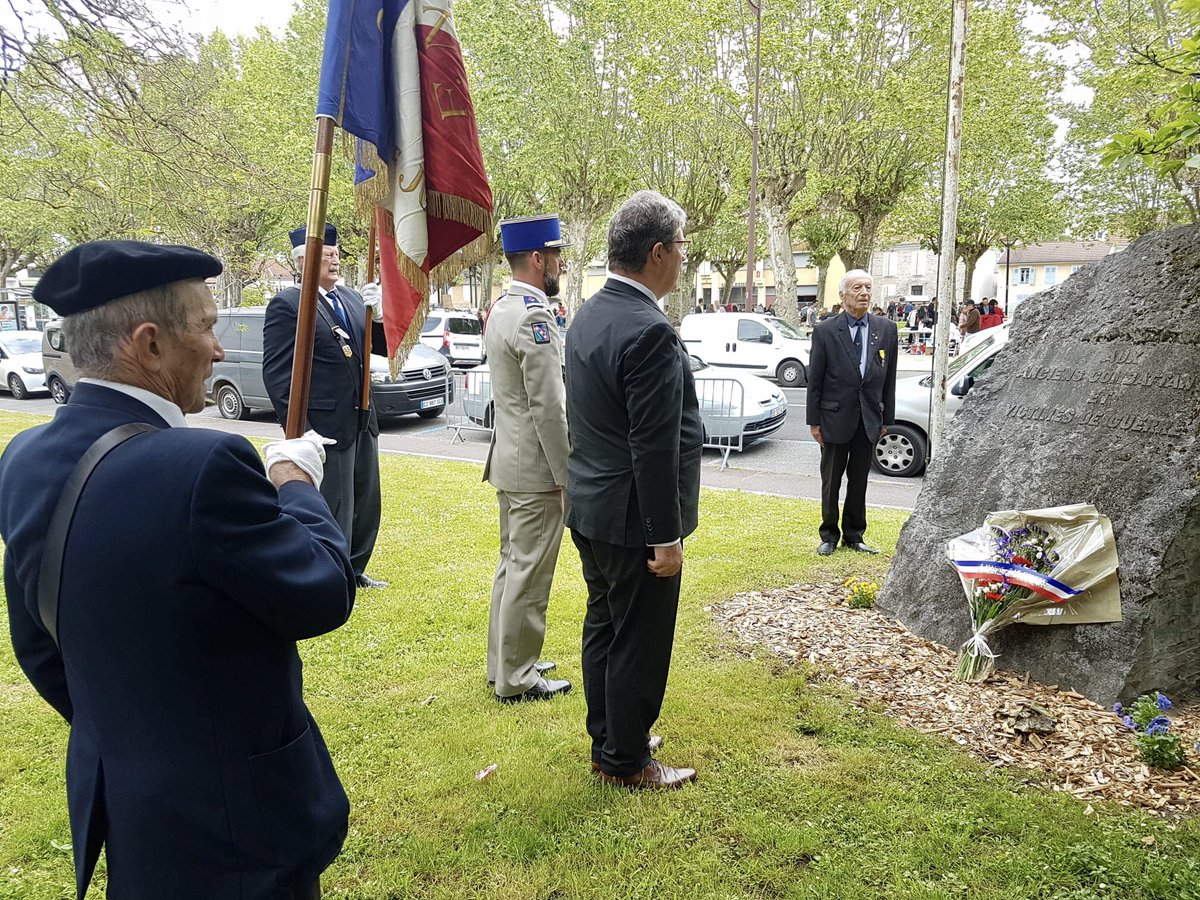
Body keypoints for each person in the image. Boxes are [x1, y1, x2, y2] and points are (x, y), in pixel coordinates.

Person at [0, 241, 355, 899]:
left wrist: (136, 735)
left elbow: (37, 642)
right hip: (242, 830)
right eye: (208, 326)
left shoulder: (22, 459)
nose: (218, 350)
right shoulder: (203, 468)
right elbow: (324, 590)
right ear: (150, 344)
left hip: (129, 811)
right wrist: (295, 479)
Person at [564, 190, 703, 791]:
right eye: (681, 246)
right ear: (656, 253)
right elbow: (653, 446)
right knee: (638, 640)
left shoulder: (589, 312)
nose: (683, 258)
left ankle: (612, 739)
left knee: (605, 627)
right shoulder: (649, 330)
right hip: (631, 519)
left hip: (591, 506)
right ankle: (625, 760)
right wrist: (664, 538)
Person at [263, 224, 388, 589]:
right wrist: (299, 429)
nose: (335, 259)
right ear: (303, 260)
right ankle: (331, 570)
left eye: (337, 253)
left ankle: (355, 567)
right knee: (335, 502)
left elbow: (375, 348)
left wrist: (378, 316)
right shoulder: (290, 304)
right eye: (327, 253)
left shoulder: (350, 298)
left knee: (366, 500)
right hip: (324, 423)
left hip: (362, 415)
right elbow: (278, 373)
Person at [484, 215, 574, 703]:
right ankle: (517, 677)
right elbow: (549, 408)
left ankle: (505, 663)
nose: (560, 264)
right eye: (556, 255)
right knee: (529, 574)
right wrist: (566, 474)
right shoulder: (535, 316)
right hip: (536, 469)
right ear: (538, 259)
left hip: (511, 461)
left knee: (511, 567)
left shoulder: (503, 307)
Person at [806, 269, 898, 557]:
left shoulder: (886, 329)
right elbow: (815, 380)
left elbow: (889, 378)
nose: (864, 293)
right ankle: (829, 535)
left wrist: (886, 419)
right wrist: (814, 421)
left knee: (860, 481)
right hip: (834, 418)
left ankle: (855, 535)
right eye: (857, 288)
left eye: (868, 287)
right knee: (831, 480)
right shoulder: (825, 330)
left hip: (868, 420)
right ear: (843, 294)